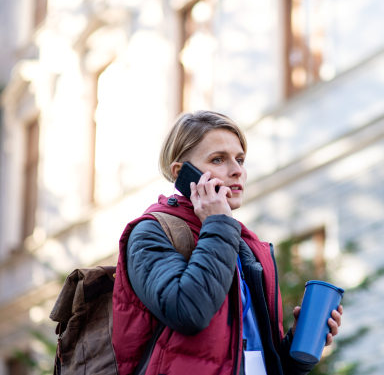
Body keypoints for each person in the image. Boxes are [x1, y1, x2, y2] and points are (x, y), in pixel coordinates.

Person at [111, 110, 343, 375]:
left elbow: (251, 357)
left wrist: (297, 350)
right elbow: (189, 312)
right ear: (181, 173)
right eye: (218, 159)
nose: (237, 171)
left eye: (240, 159)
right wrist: (218, 222)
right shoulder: (152, 231)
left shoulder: (244, 245)